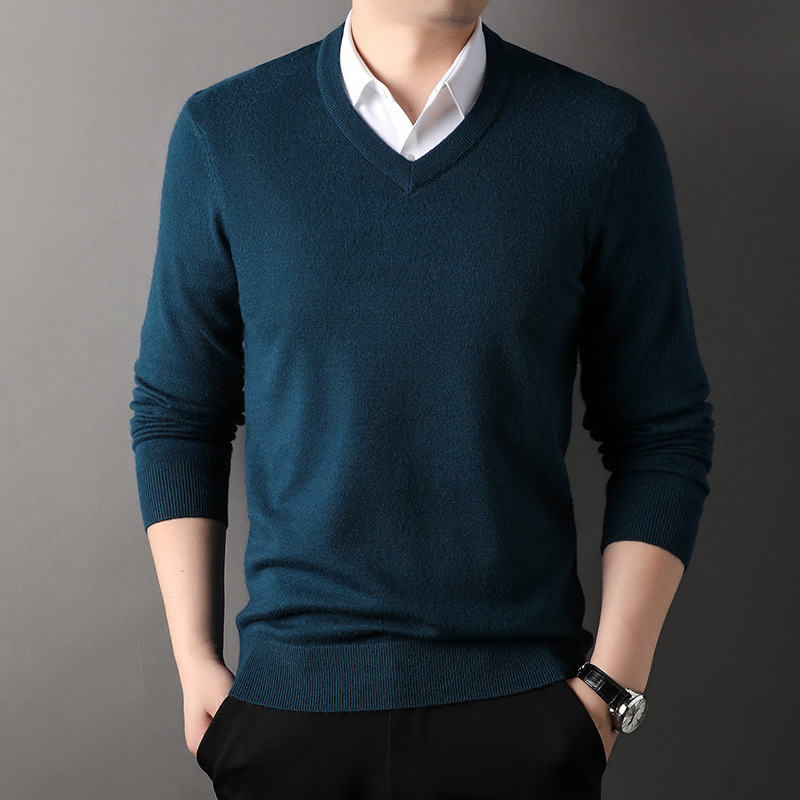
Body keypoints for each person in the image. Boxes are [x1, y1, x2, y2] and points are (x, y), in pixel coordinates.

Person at [129, 1, 715, 797]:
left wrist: (610, 688)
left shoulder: (601, 138)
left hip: (524, 714)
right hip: (288, 712)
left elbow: (662, 430)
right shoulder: (227, 132)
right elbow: (179, 414)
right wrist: (196, 661)